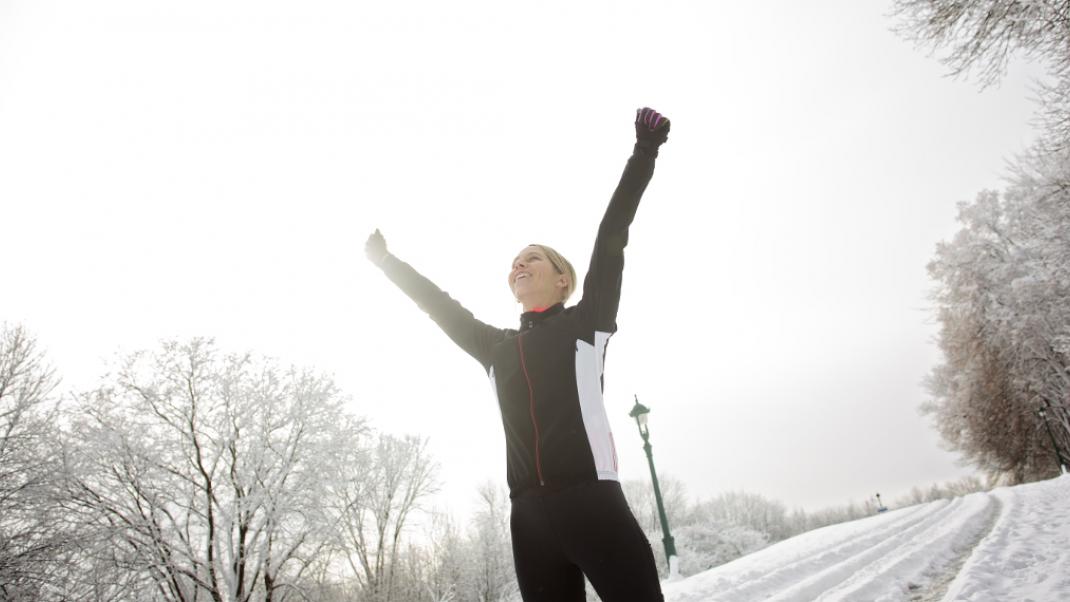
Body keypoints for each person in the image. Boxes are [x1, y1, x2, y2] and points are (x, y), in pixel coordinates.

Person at [365, 107, 670, 601]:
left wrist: (645, 151)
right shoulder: (495, 348)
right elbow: (439, 305)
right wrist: (386, 263)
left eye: (533, 257)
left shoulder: (585, 324)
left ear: (562, 278)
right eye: (515, 262)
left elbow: (612, 237)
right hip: (529, 520)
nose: (519, 264)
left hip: (593, 503)